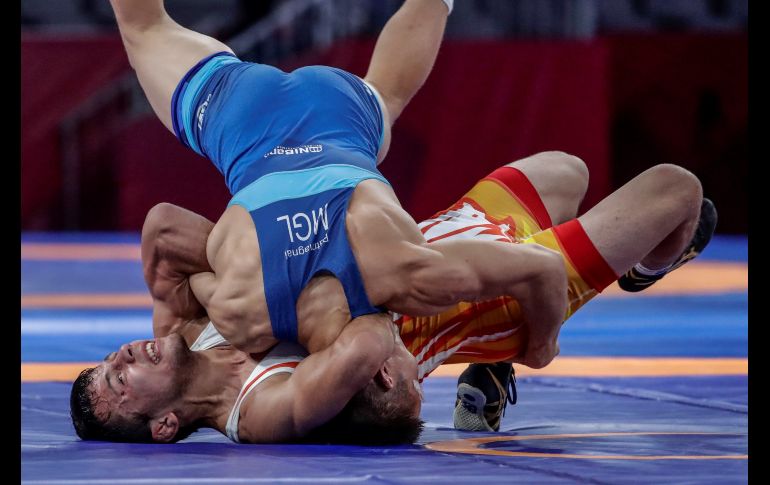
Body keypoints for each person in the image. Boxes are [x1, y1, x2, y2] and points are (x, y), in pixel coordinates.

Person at [105, 0, 571, 438]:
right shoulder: (243, 311)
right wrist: (218, 274)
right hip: (248, 123)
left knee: (387, 95)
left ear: (387, 372)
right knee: (144, 25)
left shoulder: (407, 276)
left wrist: (539, 350)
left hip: (341, 119)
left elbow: (542, 268)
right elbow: (165, 227)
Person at [70, 151, 716, 443]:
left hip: (427, 237)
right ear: (163, 426)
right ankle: (624, 280)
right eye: (119, 382)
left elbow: (161, 226)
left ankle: (493, 367)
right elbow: (370, 339)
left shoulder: (188, 328)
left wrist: (239, 291)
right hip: (480, 297)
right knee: (678, 192)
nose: (123, 355)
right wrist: (269, 285)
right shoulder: (261, 408)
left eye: (110, 359)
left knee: (565, 170)